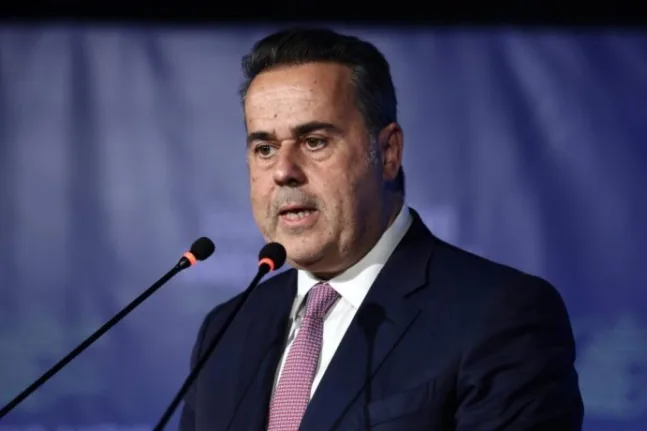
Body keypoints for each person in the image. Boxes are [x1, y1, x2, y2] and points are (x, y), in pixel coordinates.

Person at [180, 27, 584, 430]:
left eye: (315, 141)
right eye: (265, 149)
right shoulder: (226, 330)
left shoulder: (500, 316)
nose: (283, 171)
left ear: (388, 152)